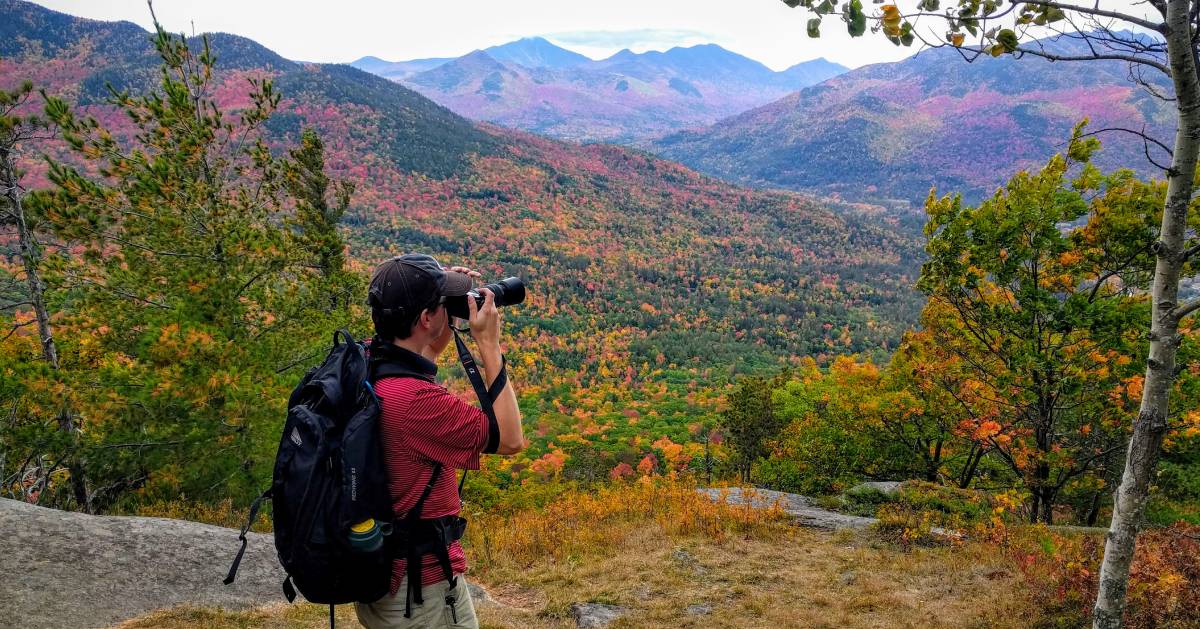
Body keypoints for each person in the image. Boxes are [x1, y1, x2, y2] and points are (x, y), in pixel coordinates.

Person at [357, 253, 524, 629]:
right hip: (422, 589)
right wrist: (489, 344)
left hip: (388, 579)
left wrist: (446, 300)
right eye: (441, 305)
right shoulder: (415, 402)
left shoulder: (371, 363)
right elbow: (511, 439)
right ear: (425, 319)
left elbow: (422, 351)